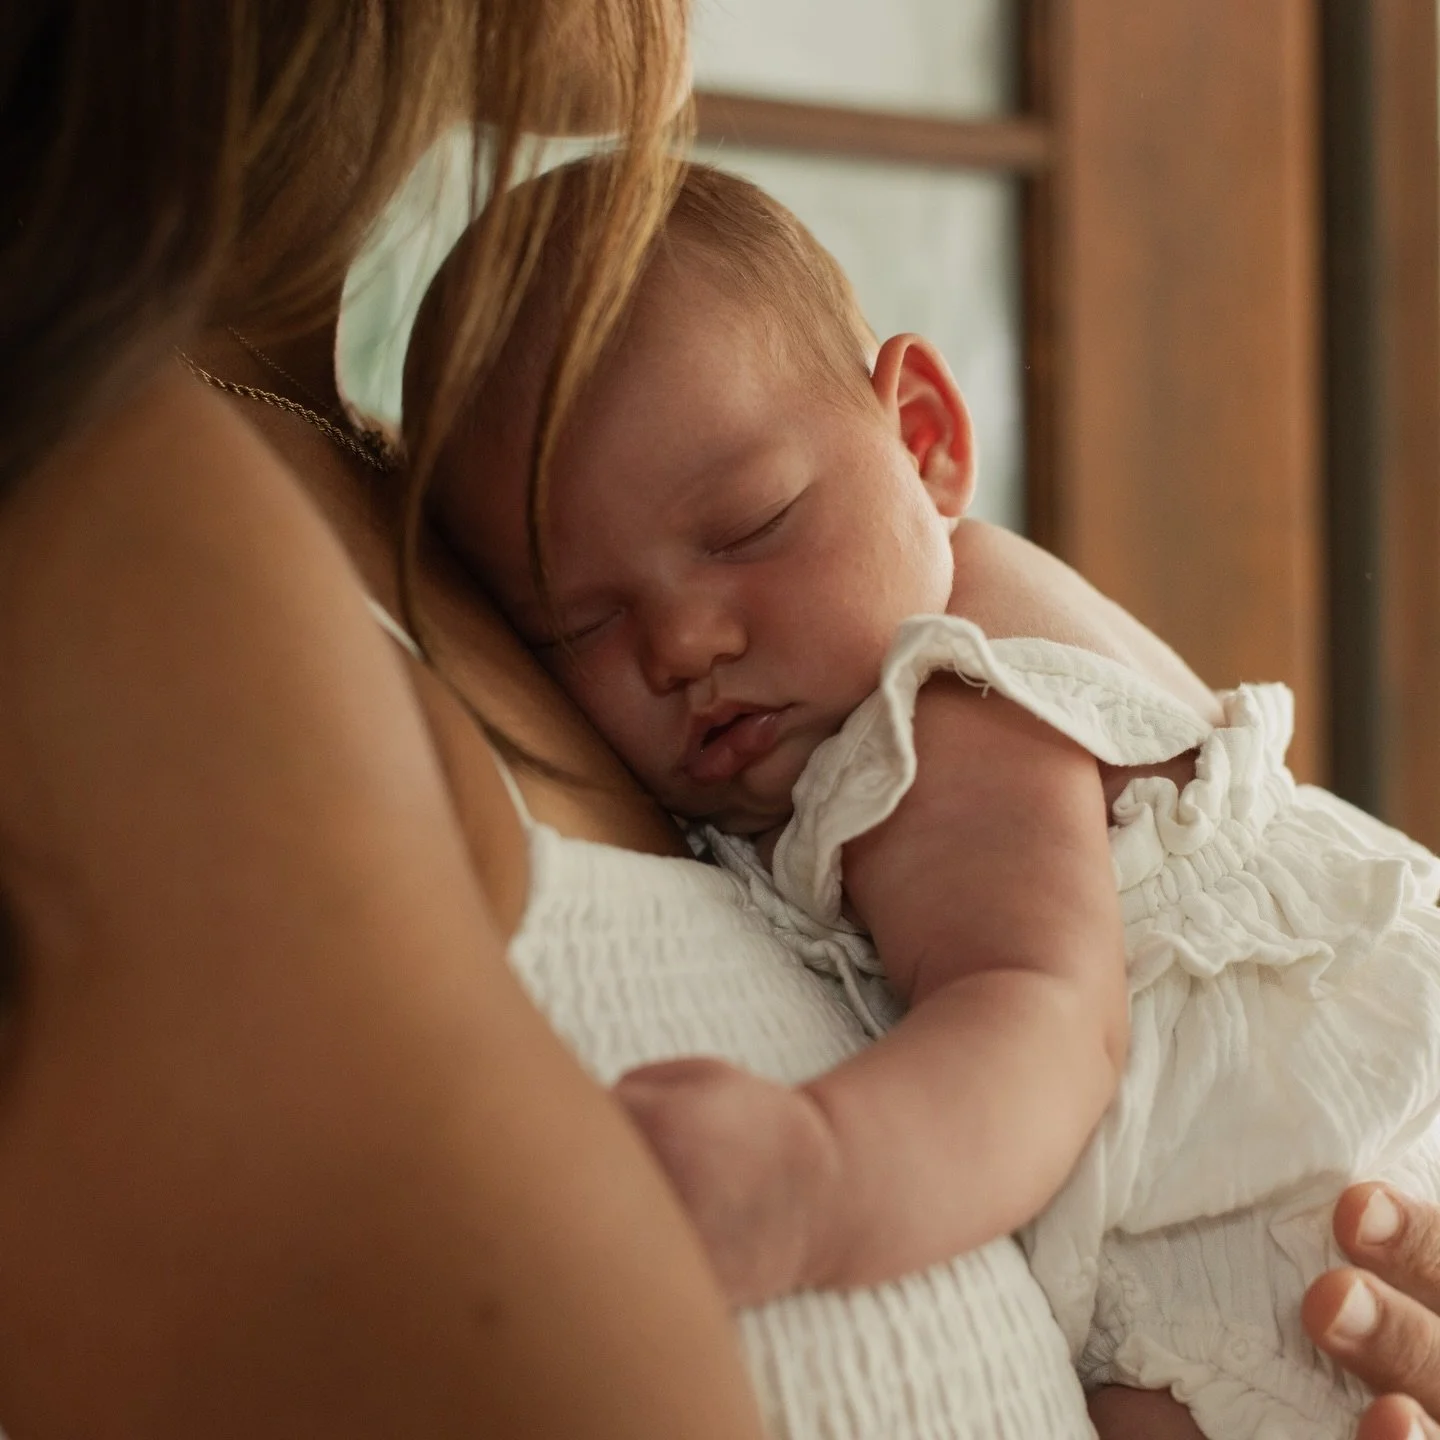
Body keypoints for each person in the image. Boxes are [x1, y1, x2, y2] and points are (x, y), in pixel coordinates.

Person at [423, 157, 1440, 1440]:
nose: (679, 643)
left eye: (747, 525)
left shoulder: (948, 700)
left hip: (1319, 1246)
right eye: (577, 622)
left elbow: (1046, 1018)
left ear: (925, 439)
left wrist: (811, 1179)